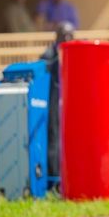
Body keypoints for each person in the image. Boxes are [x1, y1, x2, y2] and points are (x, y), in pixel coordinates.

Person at [40, 22, 75, 186]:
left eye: (71, 35)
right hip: (52, 101)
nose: (68, 39)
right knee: (54, 139)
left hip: (69, 103)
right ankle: (55, 180)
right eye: (65, 35)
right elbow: (43, 72)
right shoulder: (49, 55)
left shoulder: (73, 53)